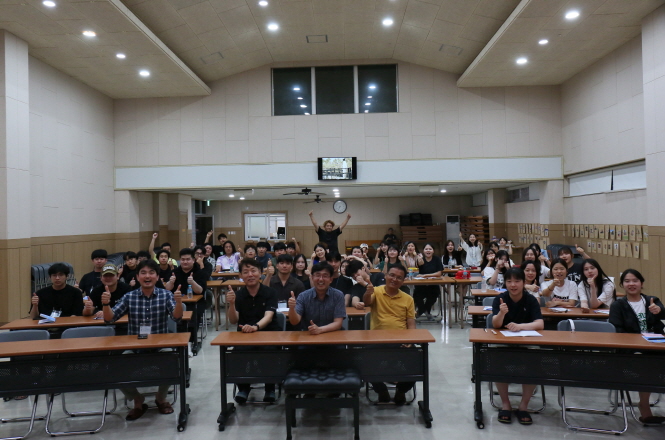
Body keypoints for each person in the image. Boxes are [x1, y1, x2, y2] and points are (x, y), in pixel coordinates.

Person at [102, 259, 183, 420]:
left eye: (151, 273)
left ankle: (161, 398)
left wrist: (179, 302)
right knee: (117, 368)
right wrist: (106, 304)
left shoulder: (165, 295)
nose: (147, 276)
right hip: (136, 348)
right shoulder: (129, 297)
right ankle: (137, 400)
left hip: (160, 347)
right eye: (143, 273)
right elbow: (110, 319)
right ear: (137, 277)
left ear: (157, 277)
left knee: (172, 359)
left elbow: (177, 317)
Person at [609, 269, 665, 424]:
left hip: (655, 347)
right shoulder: (618, 305)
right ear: (622, 285)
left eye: (635, 280)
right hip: (631, 351)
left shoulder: (652, 300)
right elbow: (617, 331)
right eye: (627, 281)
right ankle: (644, 406)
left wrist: (659, 311)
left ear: (641, 283)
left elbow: (663, 314)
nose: (631, 284)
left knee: (654, 361)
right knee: (648, 364)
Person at [491, 267, 544, 425]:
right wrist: (501, 313)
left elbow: (540, 323)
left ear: (523, 282)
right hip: (504, 342)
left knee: (534, 359)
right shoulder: (500, 299)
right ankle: (505, 404)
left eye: (517, 281)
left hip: (527, 342)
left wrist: (520, 327)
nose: (513, 285)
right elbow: (495, 324)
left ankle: (523, 406)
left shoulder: (530, 300)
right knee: (496, 358)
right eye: (509, 281)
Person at [226, 258, 280, 403]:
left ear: (260, 273)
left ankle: (270, 388)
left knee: (270, 351)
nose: (250, 275)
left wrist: (255, 327)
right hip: (245, 336)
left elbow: (268, 317)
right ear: (240, 275)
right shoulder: (239, 295)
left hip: (268, 334)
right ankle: (243, 388)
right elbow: (233, 320)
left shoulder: (270, 292)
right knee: (237, 352)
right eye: (246, 272)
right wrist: (231, 304)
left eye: (253, 271)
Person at [363, 264, 416, 404]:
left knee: (417, 359)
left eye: (399, 277)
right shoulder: (376, 291)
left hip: (400, 340)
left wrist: (411, 340)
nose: (394, 279)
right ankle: (381, 390)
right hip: (377, 340)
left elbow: (411, 323)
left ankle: (401, 391)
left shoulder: (408, 299)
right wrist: (367, 293)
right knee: (364, 359)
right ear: (386, 276)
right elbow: (367, 302)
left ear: (403, 281)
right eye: (391, 275)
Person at [288, 261, 346, 333]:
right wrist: (292, 308)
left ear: (331, 279)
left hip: (332, 335)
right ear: (312, 277)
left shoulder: (338, 295)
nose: (321, 279)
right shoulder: (303, 296)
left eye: (325, 276)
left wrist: (320, 330)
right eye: (318, 275)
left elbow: (338, 323)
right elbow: (294, 322)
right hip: (309, 335)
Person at [414, 243, 443, 319]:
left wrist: (425, 275)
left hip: (433, 285)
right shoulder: (421, 259)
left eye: (430, 249)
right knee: (416, 295)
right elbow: (416, 269)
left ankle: (420, 311)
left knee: (433, 295)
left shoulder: (437, 259)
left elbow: (439, 273)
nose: (428, 251)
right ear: (423, 251)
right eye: (426, 249)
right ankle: (425, 311)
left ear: (433, 251)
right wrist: (419, 260)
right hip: (421, 285)